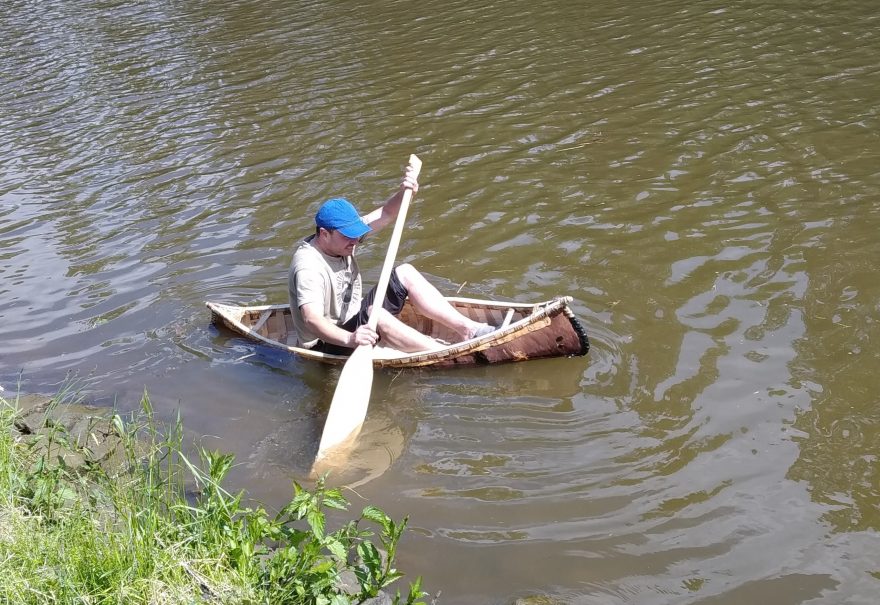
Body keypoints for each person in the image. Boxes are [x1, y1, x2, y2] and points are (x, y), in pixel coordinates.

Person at [288, 162, 495, 355]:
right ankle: (444, 354)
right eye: (348, 237)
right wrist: (351, 338)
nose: (355, 241)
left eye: (356, 235)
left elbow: (386, 213)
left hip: (352, 317)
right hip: (329, 341)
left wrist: (406, 193)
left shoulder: (344, 237)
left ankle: (469, 330)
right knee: (375, 315)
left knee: (404, 272)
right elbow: (311, 319)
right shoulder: (308, 267)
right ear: (324, 234)